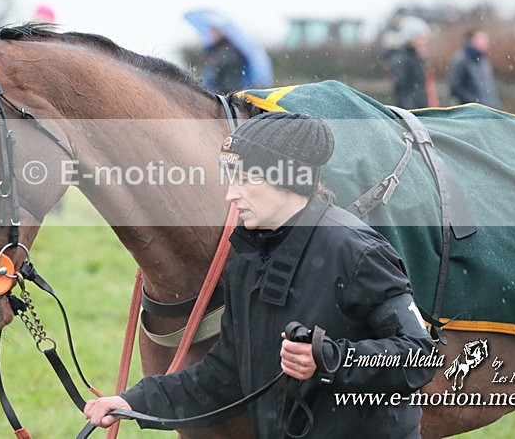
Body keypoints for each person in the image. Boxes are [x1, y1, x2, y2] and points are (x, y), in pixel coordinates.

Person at [84, 112, 437, 438]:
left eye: (244, 179)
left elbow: (419, 356)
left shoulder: (358, 252)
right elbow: (224, 375)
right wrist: (132, 402)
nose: (230, 194)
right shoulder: (247, 255)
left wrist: (329, 358)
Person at [447, 28, 501, 108]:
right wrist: (476, 103)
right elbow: (455, 88)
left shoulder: (483, 60)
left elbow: (489, 89)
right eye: (482, 38)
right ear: (471, 40)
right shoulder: (461, 59)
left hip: (489, 110)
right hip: (473, 111)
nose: (486, 42)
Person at [387, 16, 433, 109]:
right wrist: (412, 113)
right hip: (412, 112)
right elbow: (403, 92)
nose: (425, 42)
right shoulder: (403, 60)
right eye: (421, 38)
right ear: (410, 39)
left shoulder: (415, 59)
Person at [202, 26, 249, 94]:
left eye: (214, 31)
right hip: (214, 91)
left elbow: (230, 82)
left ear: (222, 33)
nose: (211, 35)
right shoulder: (215, 49)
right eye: (211, 32)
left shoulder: (230, 52)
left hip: (223, 93)